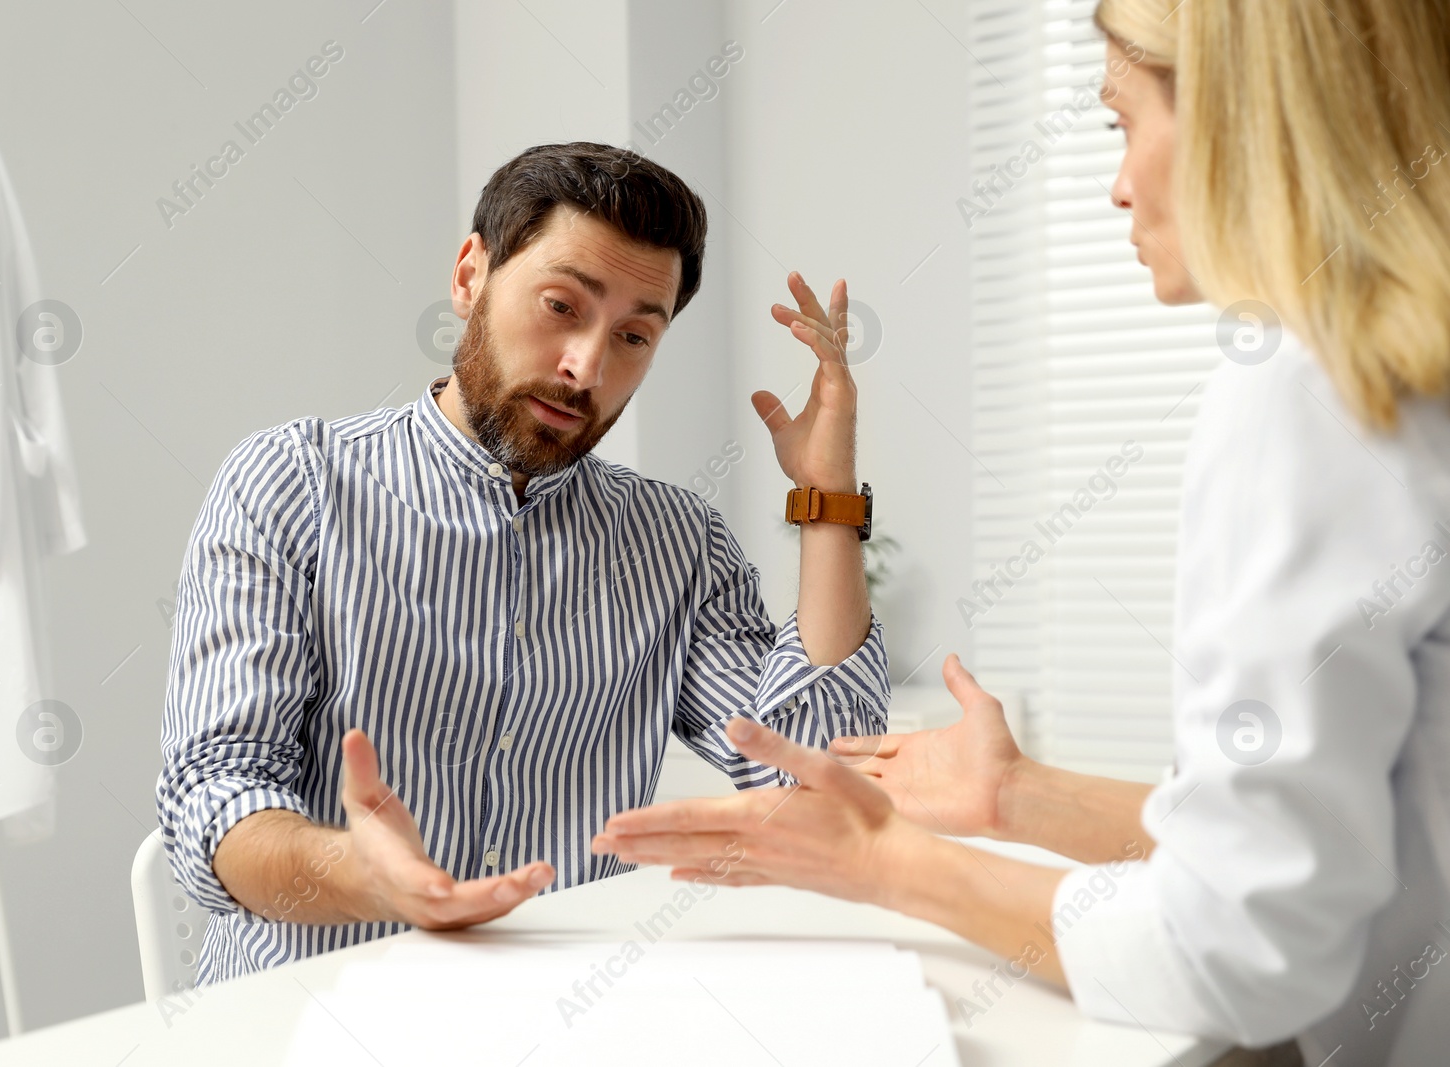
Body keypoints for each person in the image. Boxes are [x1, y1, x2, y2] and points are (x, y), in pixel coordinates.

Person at [592, 1, 1450, 1062]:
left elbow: (1238, 945)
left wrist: (889, 860)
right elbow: (1365, 836)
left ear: (1247, 114)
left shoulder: (1318, 385)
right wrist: (1013, 794)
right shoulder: (1393, 374)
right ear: (467, 274)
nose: (1119, 181)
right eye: (561, 307)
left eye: (1119, 122)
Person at [156, 141, 890, 985]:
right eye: (559, 305)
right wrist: (364, 876)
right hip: (315, 1009)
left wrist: (828, 495)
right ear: (471, 275)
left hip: (567, 1015)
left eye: (634, 336)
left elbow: (816, 782)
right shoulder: (291, 485)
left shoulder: (679, 544)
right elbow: (214, 793)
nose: (587, 366)